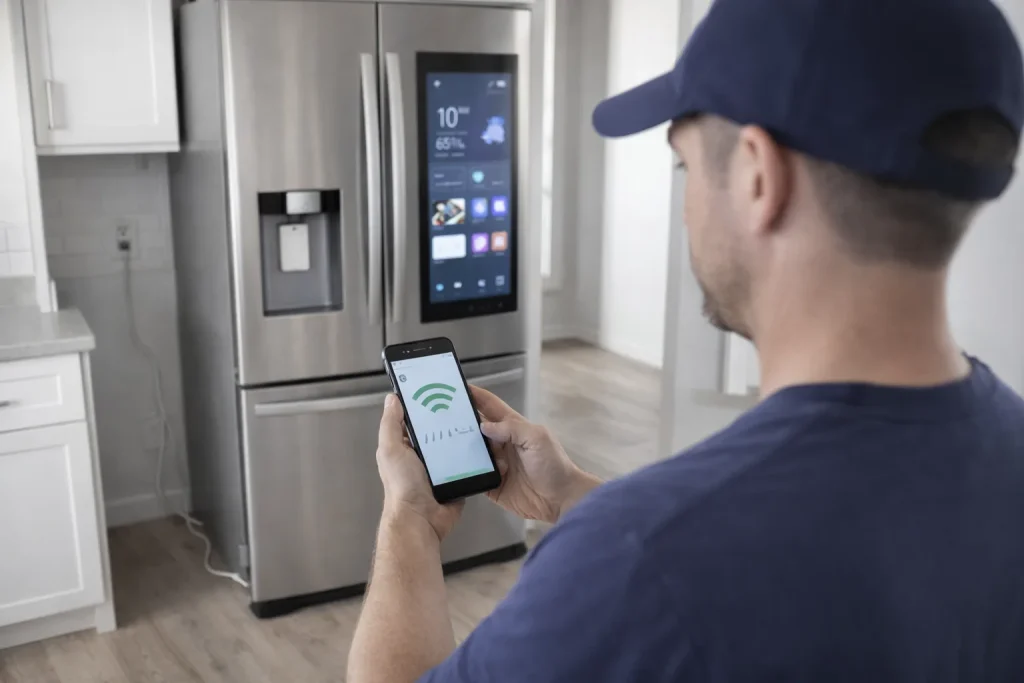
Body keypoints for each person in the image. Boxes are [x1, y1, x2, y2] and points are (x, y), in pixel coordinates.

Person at [348, 0, 1024, 680]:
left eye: (686, 167)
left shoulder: (631, 565)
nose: (686, 204)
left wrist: (409, 516)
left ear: (760, 177)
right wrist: (576, 495)